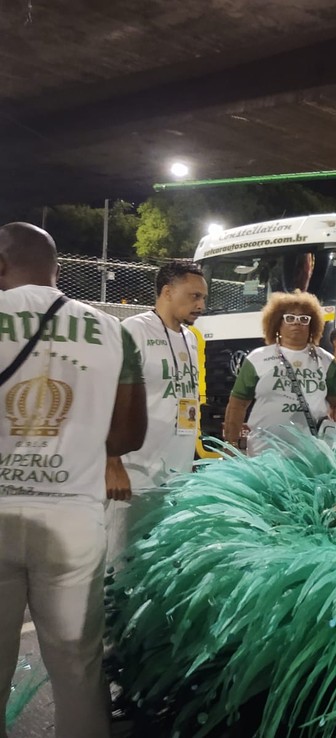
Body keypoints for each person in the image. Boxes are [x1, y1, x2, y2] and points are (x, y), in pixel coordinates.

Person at [0, 222, 146, 738]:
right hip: (73, 516)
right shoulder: (112, 330)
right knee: (78, 670)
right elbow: (128, 435)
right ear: (56, 268)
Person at [104, 260, 207, 565]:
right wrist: (112, 464)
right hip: (135, 475)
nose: (201, 305)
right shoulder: (133, 330)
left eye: (203, 297)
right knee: (121, 563)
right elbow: (107, 397)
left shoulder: (190, 338)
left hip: (176, 474)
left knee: (160, 562)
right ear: (167, 292)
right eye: (194, 296)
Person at [223, 290, 336, 454]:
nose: (297, 323)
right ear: (277, 324)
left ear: (312, 325)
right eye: (289, 318)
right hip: (265, 454)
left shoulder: (326, 360)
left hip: (314, 455)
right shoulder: (257, 359)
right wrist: (231, 445)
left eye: (304, 319)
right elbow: (237, 405)